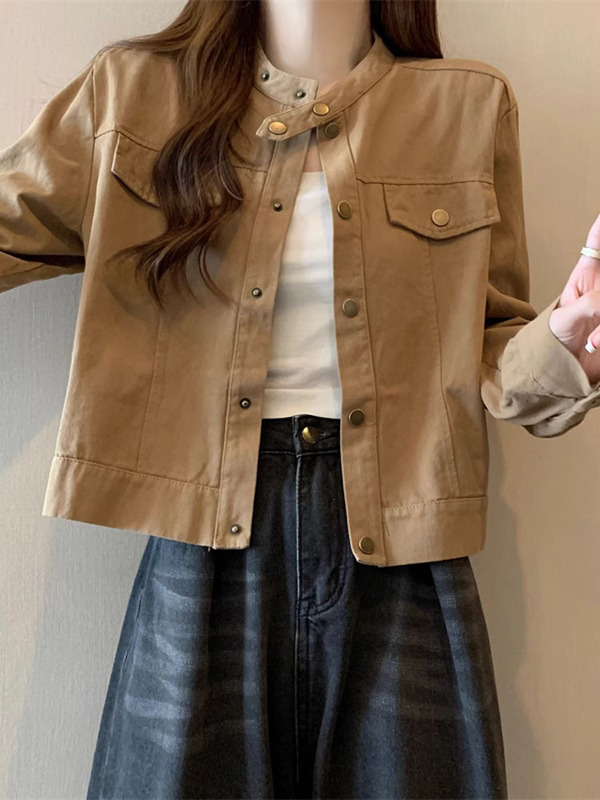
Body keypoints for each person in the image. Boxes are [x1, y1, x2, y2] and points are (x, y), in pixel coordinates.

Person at [2, 1, 600, 798]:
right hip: (205, 528)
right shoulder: (133, 92)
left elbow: (489, 345)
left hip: (403, 535)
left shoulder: (465, 104)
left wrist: (567, 342)